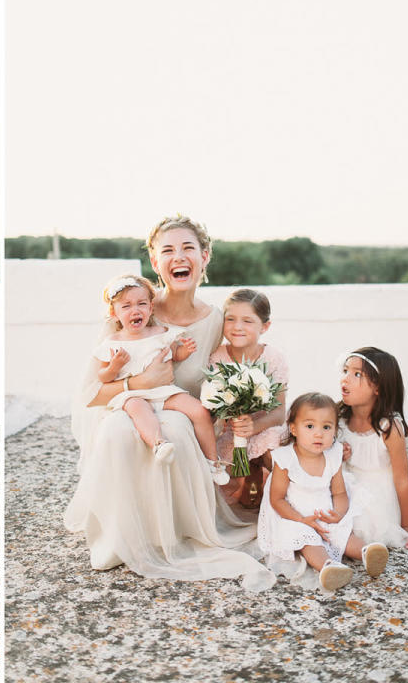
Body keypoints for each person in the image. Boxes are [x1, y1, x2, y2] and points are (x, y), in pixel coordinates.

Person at [65, 214, 274, 590]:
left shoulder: (216, 322)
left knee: (176, 425)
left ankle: (176, 530)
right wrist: (139, 382)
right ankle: (121, 536)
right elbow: (92, 394)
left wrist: (242, 451)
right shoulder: (130, 310)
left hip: (182, 414)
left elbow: (232, 388)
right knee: (118, 428)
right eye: (168, 250)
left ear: (205, 256)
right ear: (155, 261)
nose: (179, 257)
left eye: (188, 248)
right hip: (126, 405)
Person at [93, 274, 226, 480]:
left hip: (164, 391)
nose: (135, 310)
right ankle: (159, 444)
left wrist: (184, 352)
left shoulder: (160, 332)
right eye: (126, 306)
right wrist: (114, 366)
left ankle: (212, 462)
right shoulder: (112, 342)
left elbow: (172, 355)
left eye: (141, 304)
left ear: (151, 307)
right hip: (133, 395)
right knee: (139, 411)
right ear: (114, 312)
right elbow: (102, 376)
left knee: (199, 411)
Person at [258, 392, 388, 592]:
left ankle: (366, 552)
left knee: (342, 532)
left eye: (326, 427)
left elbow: (339, 493)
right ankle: (328, 567)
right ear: (293, 428)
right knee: (307, 540)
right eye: (310, 426)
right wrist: (301, 520)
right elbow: (277, 500)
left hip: (326, 512)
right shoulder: (285, 459)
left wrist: (338, 514)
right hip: (296, 515)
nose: (319, 433)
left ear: (335, 430)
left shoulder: (333, 454)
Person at [339, 348, 408, 550]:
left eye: (357, 375)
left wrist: (407, 526)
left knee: (361, 523)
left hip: (378, 492)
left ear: (378, 388)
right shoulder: (339, 418)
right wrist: (337, 454)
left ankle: (363, 551)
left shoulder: (388, 428)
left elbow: (402, 479)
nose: (345, 379)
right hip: (345, 483)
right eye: (345, 371)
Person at [208, 288, 288, 507]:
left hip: (263, 428)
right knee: (235, 490)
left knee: (275, 443)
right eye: (230, 319)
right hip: (229, 433)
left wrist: (254, 426)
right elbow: (210, 404)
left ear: (265, 326)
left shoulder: (273, 358)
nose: (237, 327)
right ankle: (248, 489)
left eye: (247, 321)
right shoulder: (216, 357)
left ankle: (283, 499)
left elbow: (279, 413)